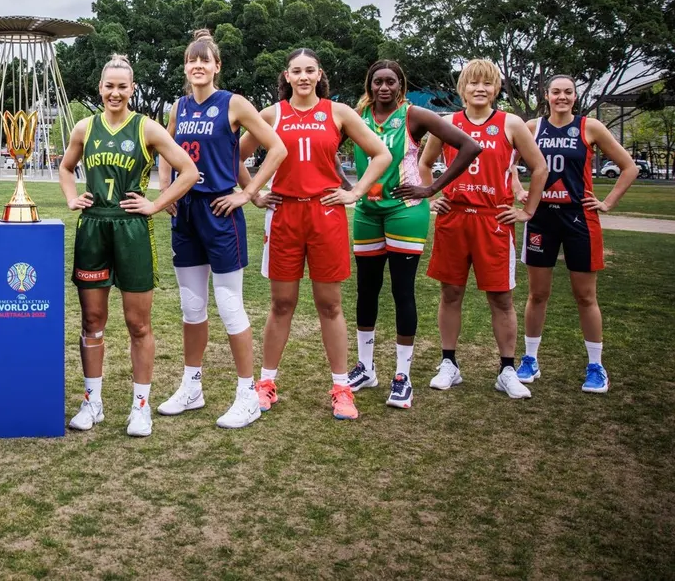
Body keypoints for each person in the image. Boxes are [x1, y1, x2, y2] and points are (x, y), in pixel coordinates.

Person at [240, 48, 392, 421]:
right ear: (287, 76)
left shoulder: (337, 112)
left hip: (326, 214)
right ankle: (266, 383)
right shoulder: (271, 114)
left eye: (310, 70)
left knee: (330, 305)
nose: (304, 76)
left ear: (319, 74)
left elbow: (381, 154)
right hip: (285, 214)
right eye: (297, 71)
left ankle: (341, 388)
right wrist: (255, 195)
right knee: (282, 304)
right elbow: (235, 154)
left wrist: (355, 192)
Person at [60, 54, 199, 437]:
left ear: (132, 89)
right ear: (100, 88)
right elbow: (66, 167)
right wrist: (72, 197)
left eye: (123, 86)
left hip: (133, 231)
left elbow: (188, 170)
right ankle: (93, 402)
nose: (115, 92)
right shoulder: (85, 128)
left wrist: (155, 203)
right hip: (94, 228)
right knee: (92, 321)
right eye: (109, 86)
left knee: (138, 323)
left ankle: (141, 407)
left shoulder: (148, 128)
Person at [155, 29, 287, 429]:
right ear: (185, 67)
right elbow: (165, 150)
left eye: (204, 60)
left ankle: (247, 394)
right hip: (186, 213)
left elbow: (276, 148)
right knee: (191, 306)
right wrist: (166, 190)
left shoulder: (233, 104)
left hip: (219, 209)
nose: (198, 66)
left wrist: (247, 193)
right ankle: (192, 386)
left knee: (229, 304)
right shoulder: (178, 106)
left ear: (217, 66)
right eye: (191, 60)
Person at [346, 60, 481, 410]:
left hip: (405, 211)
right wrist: (346, 185)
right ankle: (366, 367)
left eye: (391, 81)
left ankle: (402, 376)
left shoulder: (414, 115)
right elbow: (325, 147)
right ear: (370, 85)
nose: (384, 88)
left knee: (402, 290)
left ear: (400, 85)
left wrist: (431, 188)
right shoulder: (357, 115)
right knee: (366, 289)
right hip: (367, 212)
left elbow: (469, 146)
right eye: (378, 82)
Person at [420, 58, 548, 398]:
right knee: (450, 293)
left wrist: (528, 211)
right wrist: (432, 196)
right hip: (454, 219)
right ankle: (449, 363)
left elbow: (539, 167)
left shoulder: (511, 123)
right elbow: (424, 162)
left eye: (487, 83)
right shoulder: (447, 123)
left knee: (501, 298)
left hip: (493, 219)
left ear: (496, 88)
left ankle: (507, 369)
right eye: (473, 82)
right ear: (462, 88)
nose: (480, 88)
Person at [512, 75, 637, 393]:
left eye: (568, 92)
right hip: (541, 220)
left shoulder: (590, 127)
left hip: (579, 220)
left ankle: (596, 366)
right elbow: (507, 164)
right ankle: (530, 360)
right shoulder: (531, 128)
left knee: (585, 296)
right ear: (546, 95)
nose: (562, 97)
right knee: (537, 294)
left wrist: (607, 203)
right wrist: (518, 190)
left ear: (575, 96)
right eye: (556, 92)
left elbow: (629, 167)